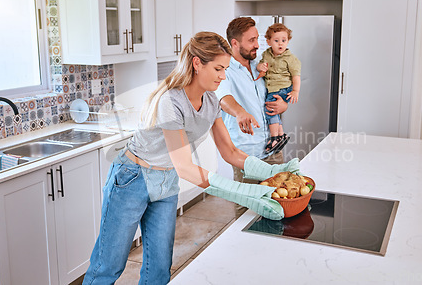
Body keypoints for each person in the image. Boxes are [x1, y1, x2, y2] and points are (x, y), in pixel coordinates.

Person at [82, 32, 301, 285]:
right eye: (218, 68)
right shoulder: (170, 101)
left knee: (160, 268)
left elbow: (230, 152)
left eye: (225, 69)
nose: (223, 75)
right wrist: (241, 192)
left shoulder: (211, 101)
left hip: (166, 182)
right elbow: (185, 167)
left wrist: (273, 172)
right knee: (108, 266)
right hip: (132, 179)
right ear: (197, 63)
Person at [215, 17, 289, 185]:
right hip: (246, 156)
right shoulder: (225, 70)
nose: (257, 44)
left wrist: (282, 105)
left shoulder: (261, 65)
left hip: (273, 149)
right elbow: (224, 99)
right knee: (247, 207)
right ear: (235, 43)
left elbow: (276, 92)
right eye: (251, 40)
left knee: (278, 202)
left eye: (257, 38)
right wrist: (240, 112)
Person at [256, 23, 301, 153]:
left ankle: (274, 137)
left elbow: (296, 76)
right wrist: (260, 68)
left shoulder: (290, 59)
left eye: (284, 40)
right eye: (276, 41)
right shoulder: (266, 54)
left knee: (270, 110)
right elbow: (260, 64)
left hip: (282, 88)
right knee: (273, 110)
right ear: (268, 41)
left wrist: (295, 91)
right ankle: (281, 134)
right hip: (273, 88)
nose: (280, 44)